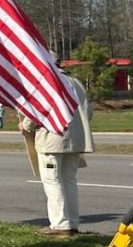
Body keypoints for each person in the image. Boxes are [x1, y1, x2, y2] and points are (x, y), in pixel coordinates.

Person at [20, 70, 94, 237]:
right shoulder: (76, 82)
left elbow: (35, 110)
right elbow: (88, 113)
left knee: (52, 181)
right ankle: (72, 222)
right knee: (69, 180)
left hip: (51, 139)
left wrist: (26, 125)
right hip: (75, 139)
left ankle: (60, 224)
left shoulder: (44, 82)